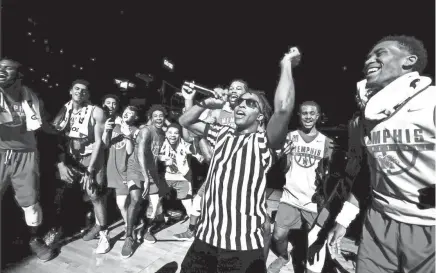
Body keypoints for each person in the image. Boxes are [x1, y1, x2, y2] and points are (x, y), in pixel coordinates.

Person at [179, 47, 300, 273]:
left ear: (261, 116)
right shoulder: (222, 133)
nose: (242, 105)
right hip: (205, 237)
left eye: (250, 103)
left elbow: (283, 109)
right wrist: (206, 104)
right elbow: (185, 122)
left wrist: (286, 64)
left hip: (241, 246)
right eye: (240, 102)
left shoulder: (263, 143)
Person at [327, 35, 435, 273]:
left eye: (380, 53)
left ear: (409, 61)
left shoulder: (431, 101)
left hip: (429, 227)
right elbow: (369, 171)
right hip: (378, 220)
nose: (369, 60)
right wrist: (344, 219)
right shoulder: (371, 116)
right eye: (368, 56)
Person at [268, 101, 335, 273]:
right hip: (290, 197)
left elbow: (330, 177)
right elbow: (283, 169)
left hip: (313, 202)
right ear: (299, 115)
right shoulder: (290, 137)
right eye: (304, 113)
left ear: (318, 116)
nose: (308, 116)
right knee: (278, 236)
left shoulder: (326, 142)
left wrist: (325, 177)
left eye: (312, 113)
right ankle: (284, 256)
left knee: (316, 244)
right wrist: (284, 156)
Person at [0, 58, 56, 261]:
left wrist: (62, 130)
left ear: (19, 73)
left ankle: (34, 239)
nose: (1, 70)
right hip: (1, 152)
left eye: (7, 68)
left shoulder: (32, 97)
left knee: (31, 204)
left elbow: (47, 126)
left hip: (26, 155)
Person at [52, 79, 109, 254]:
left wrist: (90, 168)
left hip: (91, 158)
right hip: (70, 157)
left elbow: (99, 142)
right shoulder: (64, 109)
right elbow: (58, 138)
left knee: (94, 195)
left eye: (84, 90)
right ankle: (58, 230)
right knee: (61, 192)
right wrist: (61, 163)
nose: (80, 92)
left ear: (88, 95)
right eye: (76, 89)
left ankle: (104, 235)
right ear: (70, 91)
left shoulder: (96, 111)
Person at [126, 104, 169, 246]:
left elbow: (156, 153)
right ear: (150, 118)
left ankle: (145, 229)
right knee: (136, 199)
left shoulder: (162, 133)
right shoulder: (145, 130)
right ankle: (128, 236)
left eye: (161, 115)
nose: (158, 118)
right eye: (155, 115)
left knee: (155, 202)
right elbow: (140, 154)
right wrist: (145, 177)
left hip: (151, 171)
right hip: (136, 169)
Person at [102, 106, 139, 248]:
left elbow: (130, 151)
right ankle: (129, 224)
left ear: (135, 117)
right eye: (125, 112)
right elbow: (105, 145)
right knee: (121, 203)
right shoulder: (114, 126)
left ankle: (129, 227)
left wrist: (127, 135)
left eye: (131, 113)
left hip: (125, 171)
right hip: (111, 170)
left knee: (122, 203)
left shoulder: (135, 131)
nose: (127, 114)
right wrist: (106, 130)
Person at [159, 123, 203, 225]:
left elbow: (192, 149)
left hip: (182, 177)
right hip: (166, 176)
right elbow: (155, 155)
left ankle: (194, 227)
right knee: (156, 199)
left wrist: (195, 140)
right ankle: (158, 220)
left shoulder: (184, 145)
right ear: (166, 134)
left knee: (188, 203)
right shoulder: (161, 143)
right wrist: (162, 159)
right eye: (170, 132)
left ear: (179, 135)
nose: (173, 135)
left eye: (176, 133)